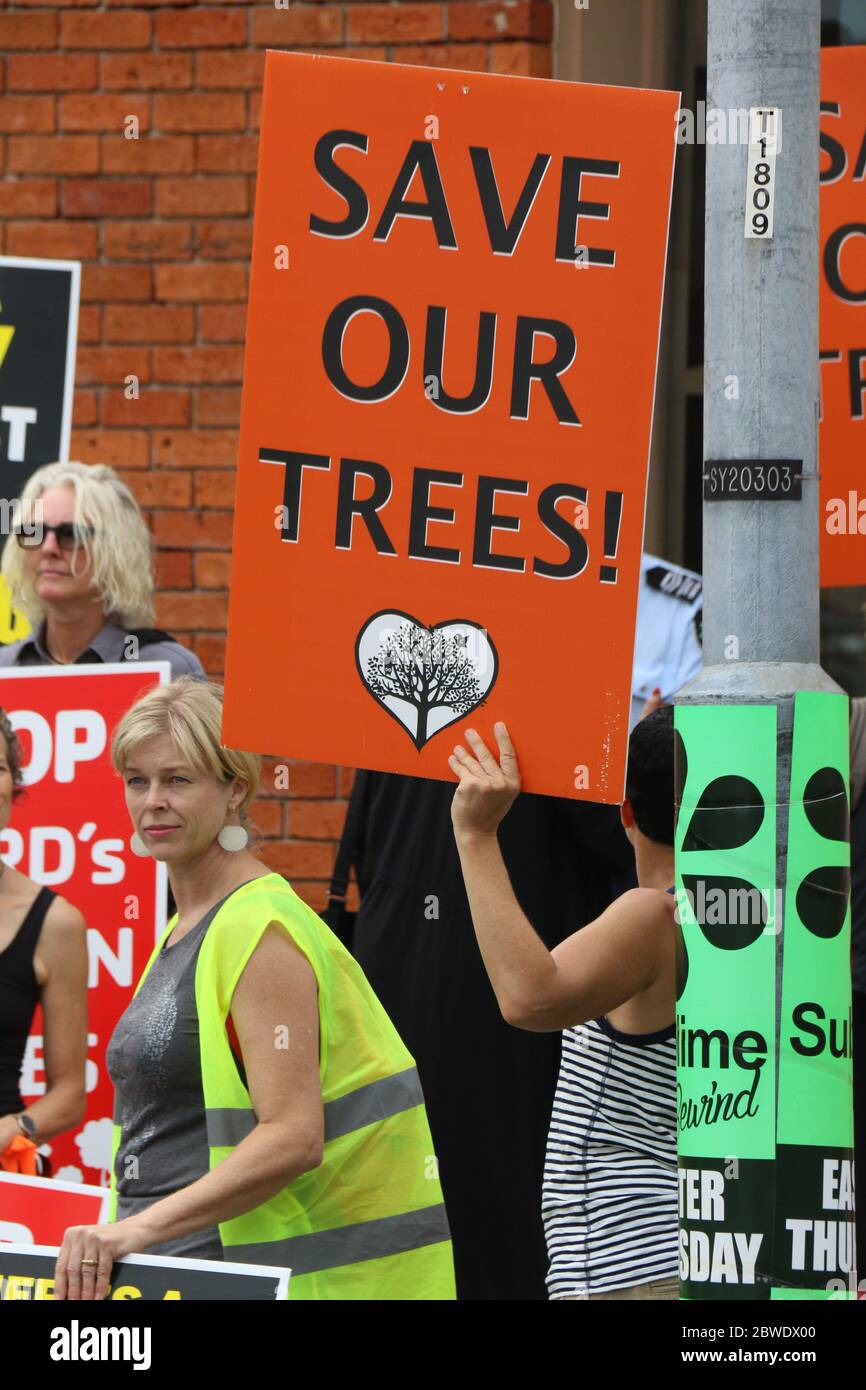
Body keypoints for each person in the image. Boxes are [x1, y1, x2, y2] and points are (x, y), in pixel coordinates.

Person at [53, 677, 454, 1302]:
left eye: (178, 780)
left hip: (238, 1275)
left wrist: (133, 1232)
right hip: (168, 1272)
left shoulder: (258, 926)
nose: (152, 801)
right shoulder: (185, 927)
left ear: (235, 788)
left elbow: (294, 1135)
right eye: (137, 780)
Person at [448, 708, 679, 1300]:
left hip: (629, 1264)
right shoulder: (733, 914)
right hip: (664, 1257)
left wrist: (476, 836)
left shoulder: (655, 913)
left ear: (625, 813)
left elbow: (530, 998)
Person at [0, 460, 203, 679]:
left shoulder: (167, 670)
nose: (49, 547)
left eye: (71, 533)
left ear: (116, 550)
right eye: (34, 532)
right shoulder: (6, 667)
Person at [0, 708, 88, 1172]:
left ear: (14, 784)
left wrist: (13, 1128)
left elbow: (70, 1094)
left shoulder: (56, 922)